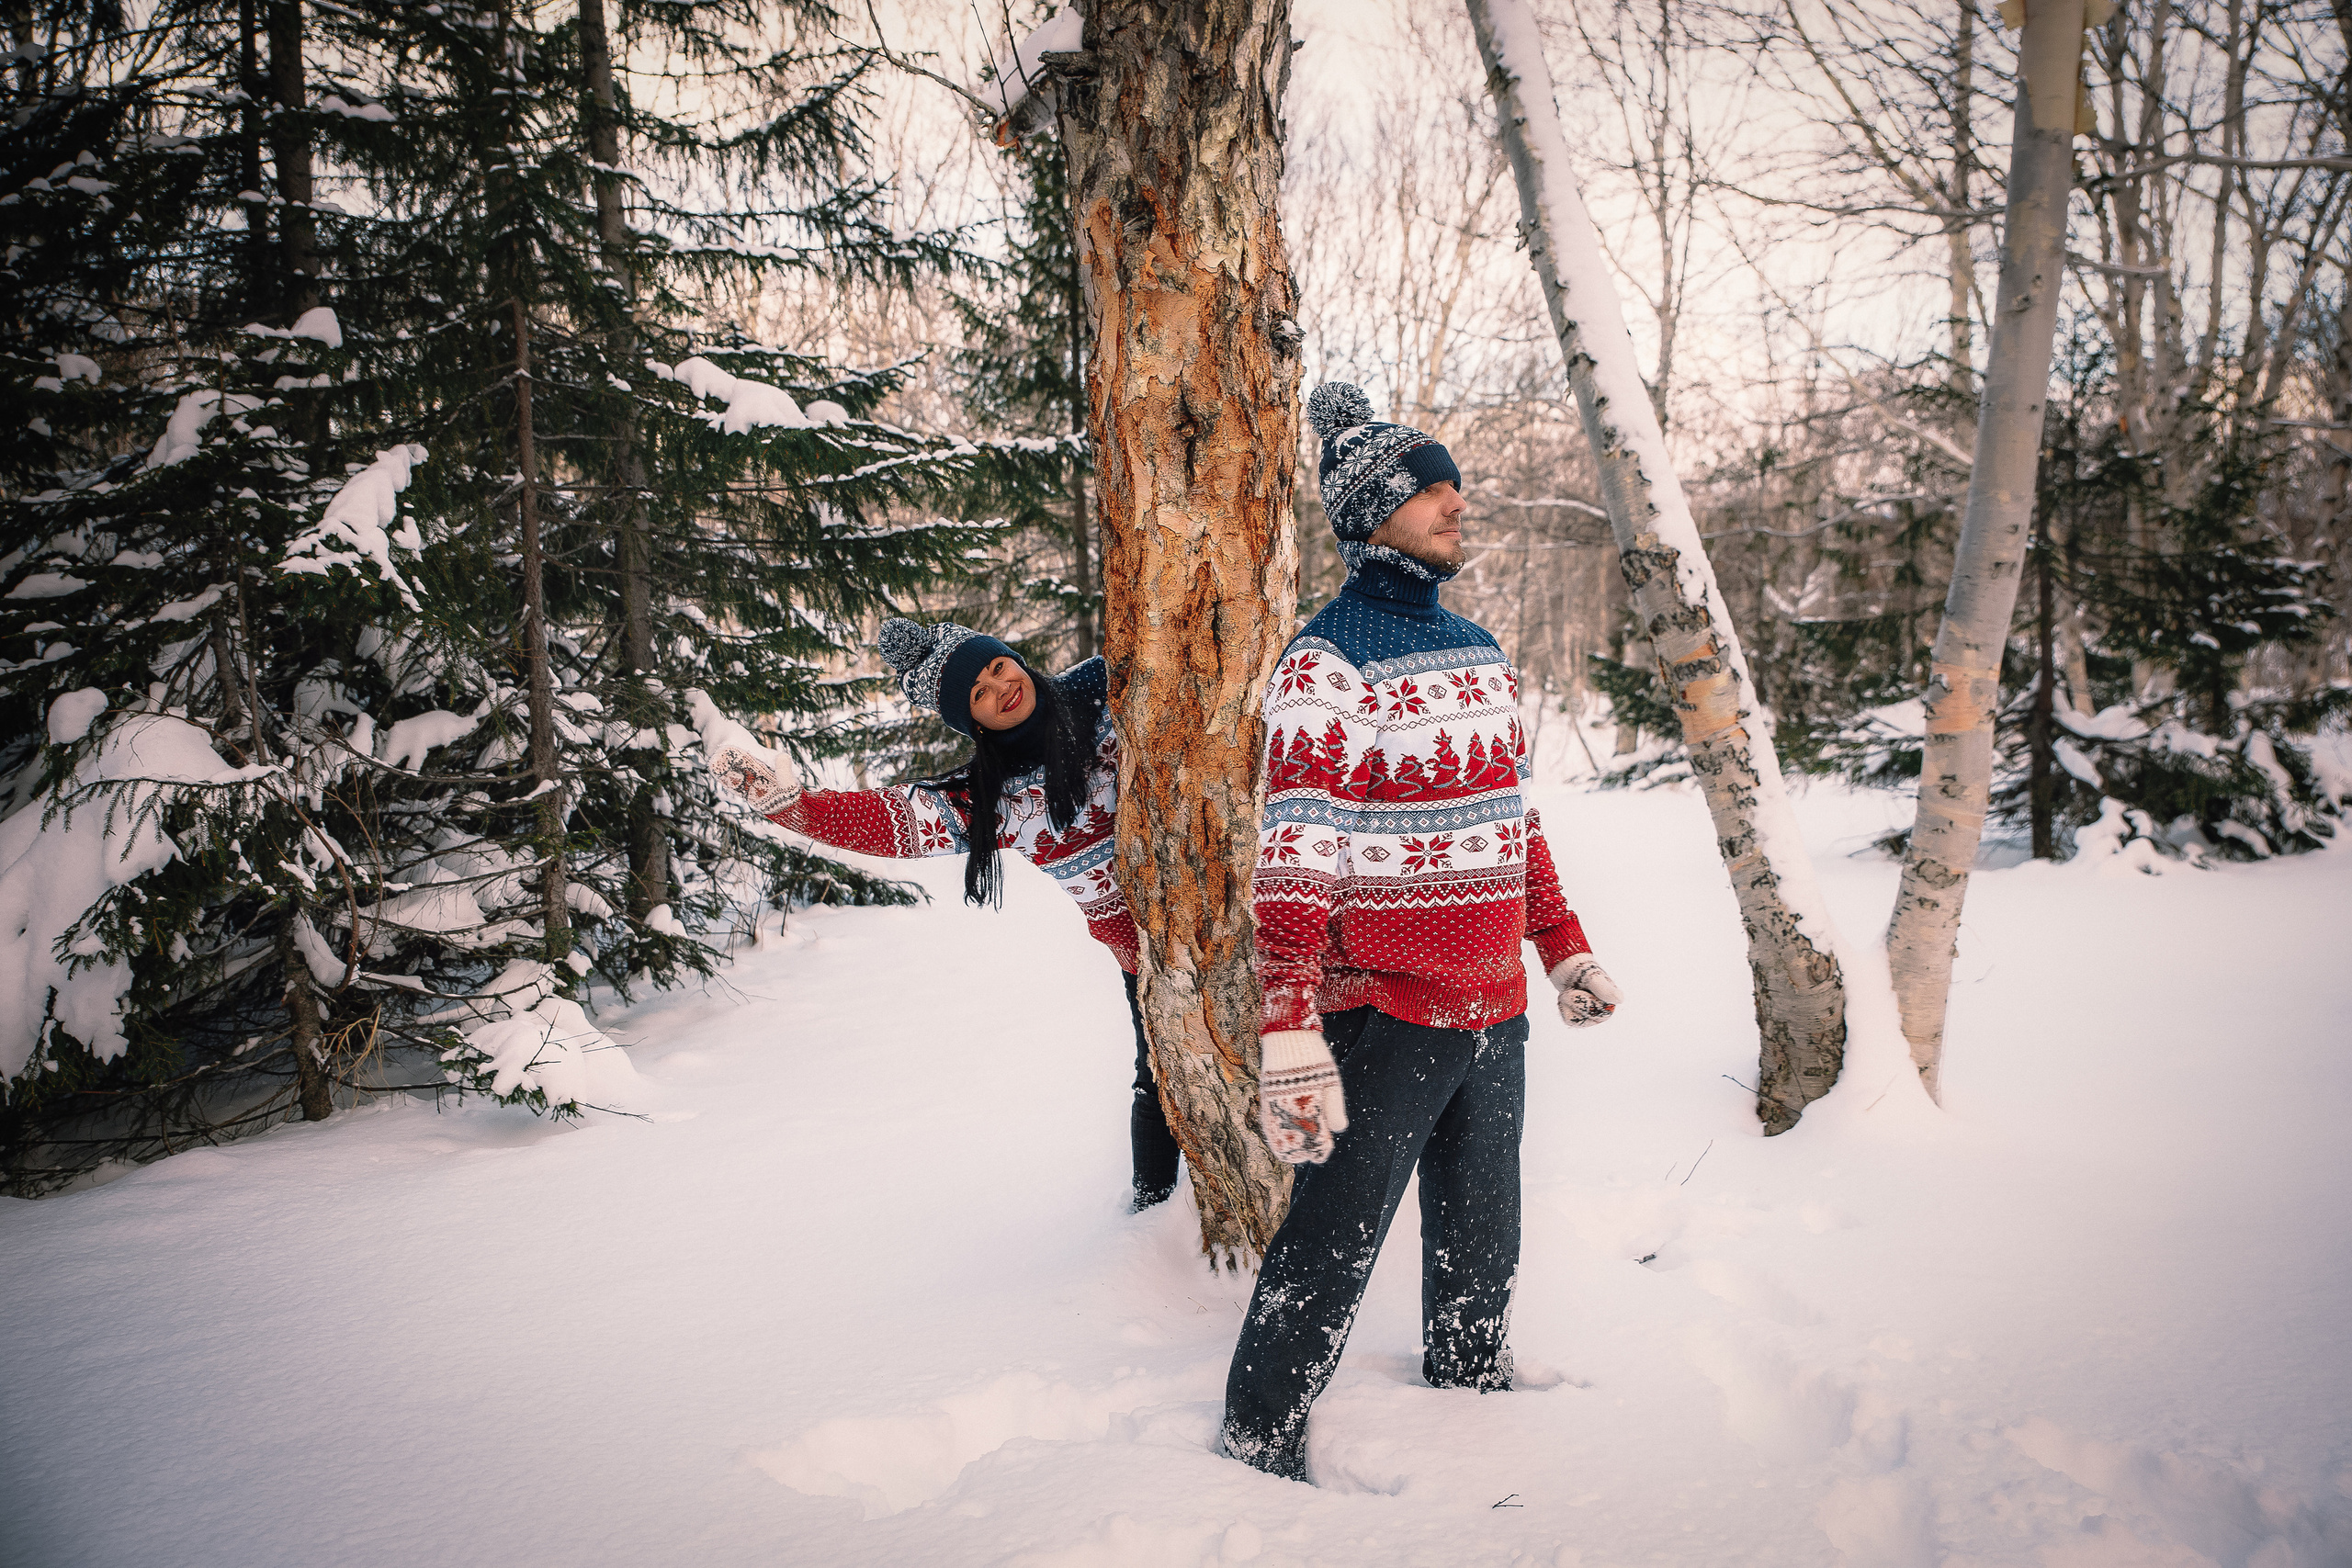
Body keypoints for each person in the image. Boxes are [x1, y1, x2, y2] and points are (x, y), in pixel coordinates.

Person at [1219, 383, 1626, 1483]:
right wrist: (1287, 1022)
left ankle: (1471, 1392)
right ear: (1369, 513)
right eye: (1429, 488)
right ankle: (1257, 1446)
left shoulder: (1480, 649)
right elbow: (1295, 851)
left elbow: (1510, 815)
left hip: (1493, 1002)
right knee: (1329, 1247)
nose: (1456, 501)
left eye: (1453, 484)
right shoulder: (1324, 663)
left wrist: (1562, 944)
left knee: (1483, 1235)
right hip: (1380, 1011)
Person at [702, 618, 1183, 1210]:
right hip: (1148, 956)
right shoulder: (989, 796)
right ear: (971, 721)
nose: (1001, 687)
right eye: (979, 693)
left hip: (1228, 901)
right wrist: (790, 806)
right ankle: (1149, 1219)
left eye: (997, 667)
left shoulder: (1105, 686)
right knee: (1160, 1079)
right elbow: (888, 822)